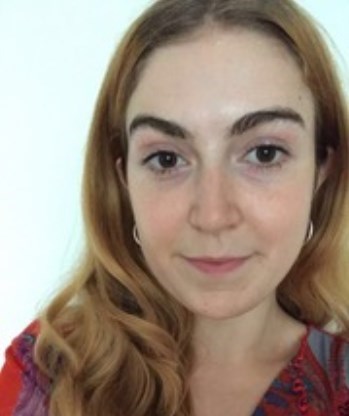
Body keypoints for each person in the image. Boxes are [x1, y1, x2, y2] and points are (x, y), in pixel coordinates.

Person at [1, 0, 349, 415]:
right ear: (124, 178)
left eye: (265, 153)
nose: (213, 216)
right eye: (167, 159)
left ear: (322, 168)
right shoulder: (49, 373)